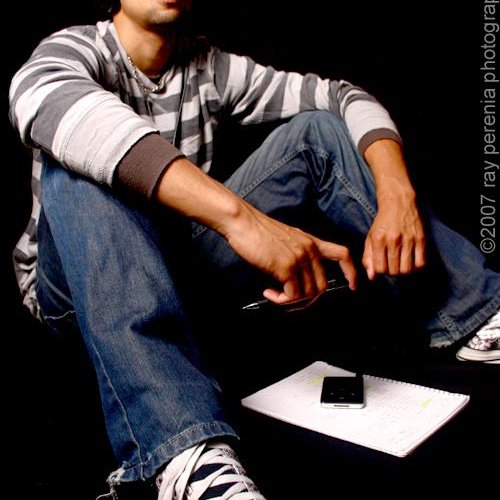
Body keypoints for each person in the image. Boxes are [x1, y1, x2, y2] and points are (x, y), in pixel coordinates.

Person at [8, 0, 499, 498]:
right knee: (82, 157)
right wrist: (243, 221)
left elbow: (342, 96)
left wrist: (397, 193)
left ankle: (476, 316)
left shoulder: (208, 68)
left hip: (179, 267)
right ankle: (187, 456)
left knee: (320, 131)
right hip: (77, 292)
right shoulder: (79, 48)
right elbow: (46, 100)